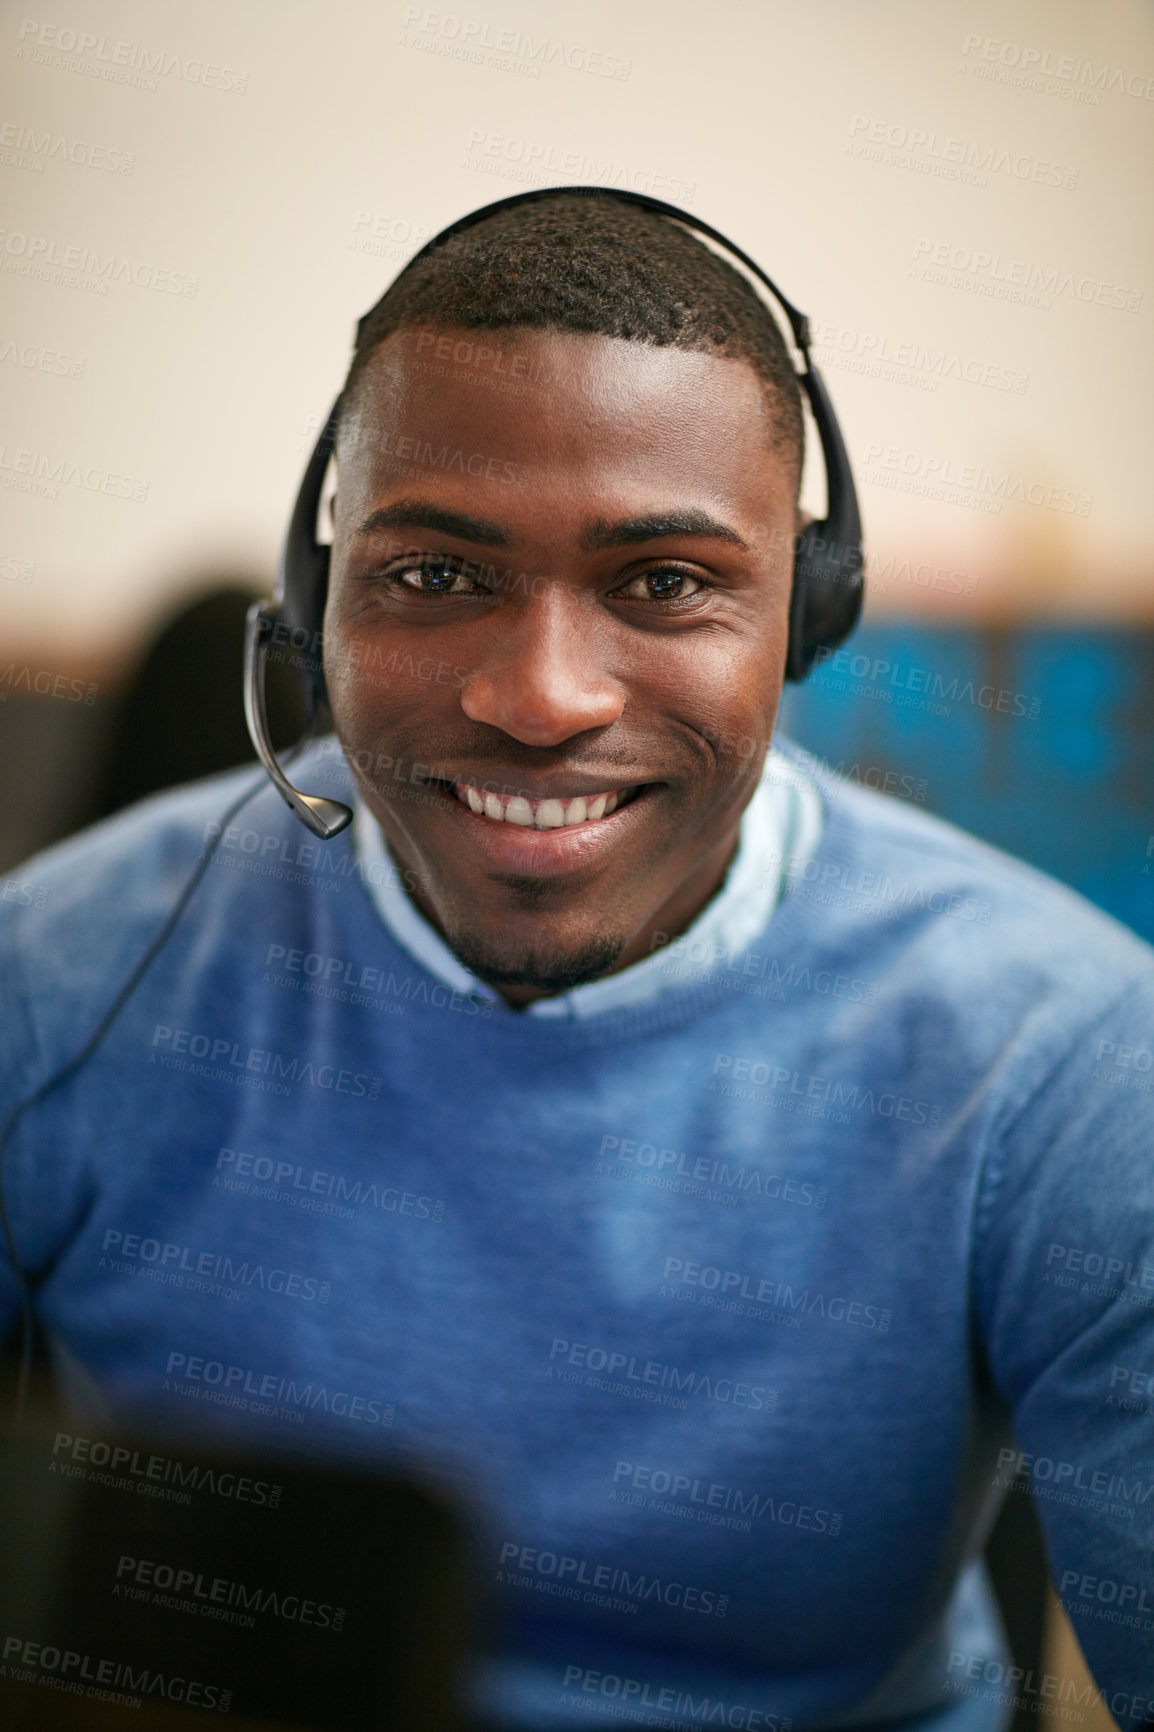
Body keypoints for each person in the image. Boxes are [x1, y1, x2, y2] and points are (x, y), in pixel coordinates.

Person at [2, 192, 1152, 1732]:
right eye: (432, 575)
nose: (540, 698)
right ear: (313, 593)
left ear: (807, 612)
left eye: (664, 582)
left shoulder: (1064, 1059)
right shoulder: (62, 978)